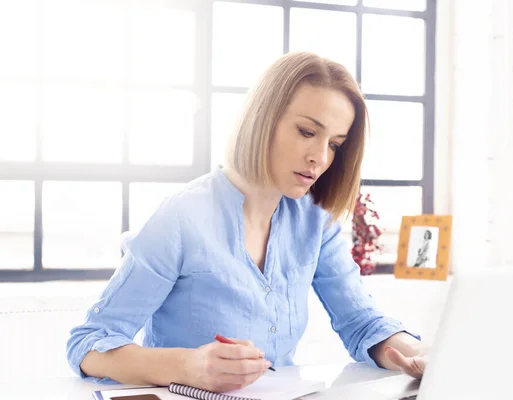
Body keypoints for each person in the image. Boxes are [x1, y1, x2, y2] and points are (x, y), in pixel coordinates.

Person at [66, 51, 427, 393]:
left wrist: (420, 355)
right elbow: (88, 344)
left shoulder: (315, 223)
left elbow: (363, 323)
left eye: (335, 144)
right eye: (306, 132)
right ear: (263, 120)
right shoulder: (181, 218)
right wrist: (188, 366)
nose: (319, 157)